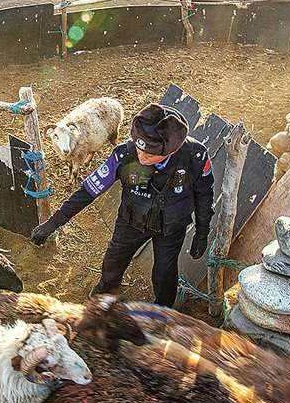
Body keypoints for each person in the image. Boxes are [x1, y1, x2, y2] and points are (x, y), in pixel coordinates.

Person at [29, 103, 215, 308]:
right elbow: (88, 191)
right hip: (131, 220)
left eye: (150, 156)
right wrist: (53, 223)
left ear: (171, 151)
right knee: (114, 257)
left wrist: (202, 232)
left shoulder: (195, 157)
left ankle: (163, 309)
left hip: (171, 226)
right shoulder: (124, 154)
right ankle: (108, 284)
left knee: (165, 271)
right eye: (139, 149)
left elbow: (204, 195)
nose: (142, 158)